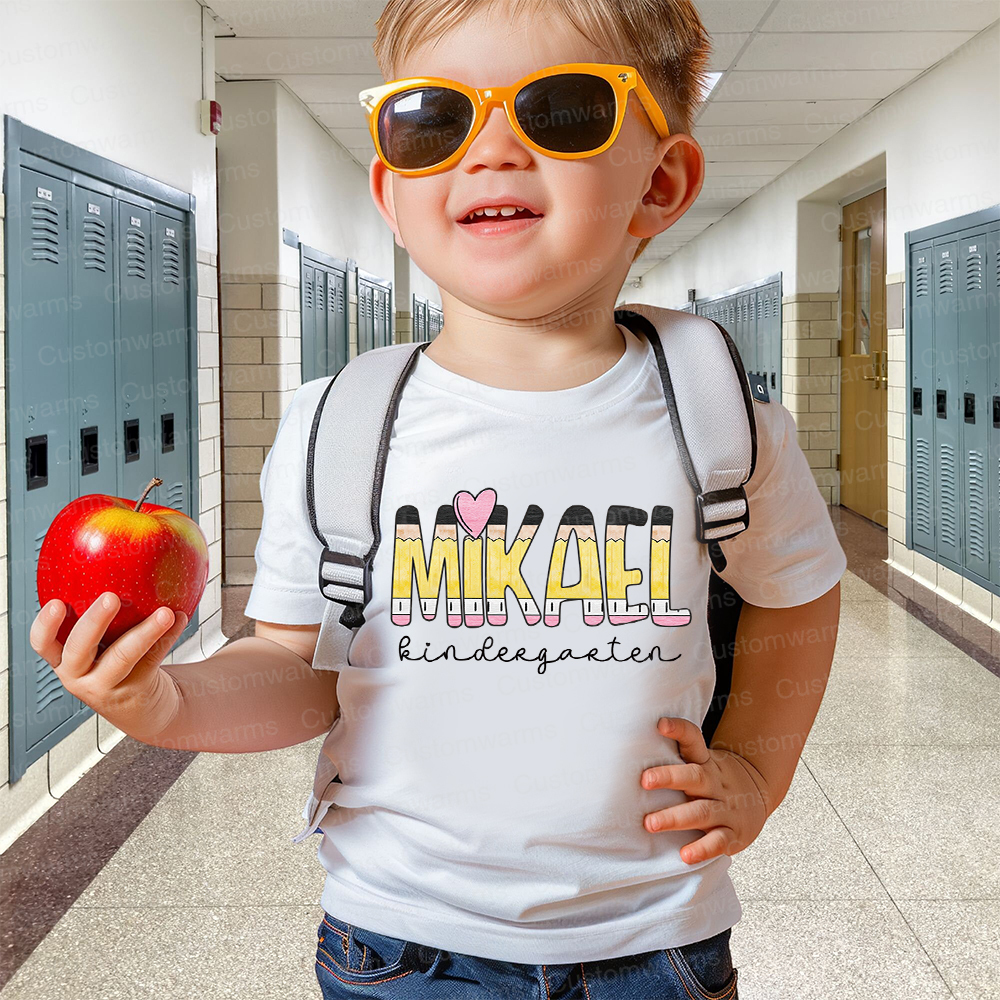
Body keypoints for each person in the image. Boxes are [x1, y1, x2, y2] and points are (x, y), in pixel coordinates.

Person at [31, 1, 847, 996]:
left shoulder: (718, 416)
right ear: (392, 187)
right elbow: (297, 670)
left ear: (661, 182)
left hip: (655, 935)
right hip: (399, 941)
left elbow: (797, 590)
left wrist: (757, 770)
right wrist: (164, 702)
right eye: (434, 119)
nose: (492, 148)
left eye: (562, 110)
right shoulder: (338, 426)